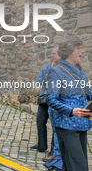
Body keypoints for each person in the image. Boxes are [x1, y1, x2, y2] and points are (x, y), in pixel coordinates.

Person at [47, 38, 91, 171]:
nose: (83, 51)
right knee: (78, 166)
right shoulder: (56, 72)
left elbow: (87, 91)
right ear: (69, 52)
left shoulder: (80, 70)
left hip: (82, 123)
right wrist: (71, 111)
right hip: (66, 125)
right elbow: (50, 99)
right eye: (79, 48)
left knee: (78, 164)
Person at [30, 47, 61, 154]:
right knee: (40, 121)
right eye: (52, 53)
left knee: (54, 124)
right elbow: (38, 79)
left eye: (54, 53)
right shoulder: (46, 67)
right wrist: (46, 80)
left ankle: (54, 150)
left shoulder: (62, 68)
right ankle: (41, 145)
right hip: (44, 99)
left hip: (56, 100)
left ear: (60, 55)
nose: (52, 55)